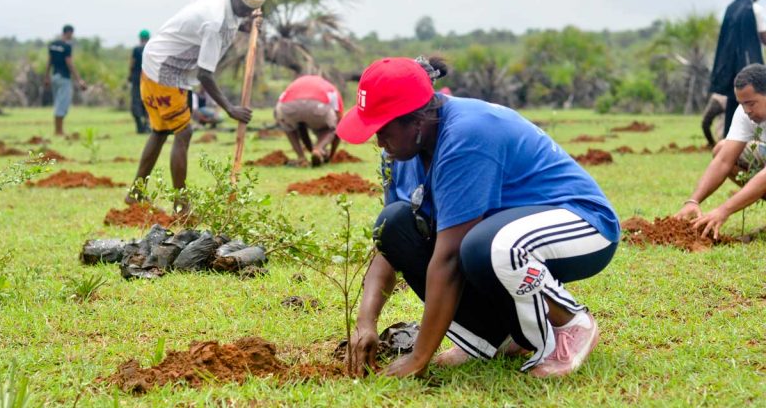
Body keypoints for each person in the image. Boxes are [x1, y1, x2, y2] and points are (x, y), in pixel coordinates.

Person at [338, 57, 620, 378]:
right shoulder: (402, 154)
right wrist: (366, 323)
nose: (379, 143)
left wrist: (419, 358)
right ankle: (495, 339)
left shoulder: (467, 135)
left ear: (416, 120)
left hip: (582, 225)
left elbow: (449, 260)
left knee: (483, 247)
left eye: (384, 128)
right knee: (396, 224)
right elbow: (389, 247)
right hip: (504, 237)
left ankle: (569, 323)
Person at [125, 0, 269, 210]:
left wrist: (247, 25)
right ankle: (181, 205)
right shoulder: (215, 24)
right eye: (244, 10)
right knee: (184, 132)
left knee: (160, 131)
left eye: (250, 11)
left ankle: (135, 193)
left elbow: (223, 21)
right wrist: (230, 109)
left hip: (160, 58)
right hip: (166, 68)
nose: (246, 14)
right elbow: (205, 74)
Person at [677, 64, 766, 238]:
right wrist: (692, 201)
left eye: (751, 103)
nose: (746, 110)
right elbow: (724, 160)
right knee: (721, 148)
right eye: (742, 104)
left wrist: (723, 210)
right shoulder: (744, 112)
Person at [710, 0, 766, 136]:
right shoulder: (754, 9)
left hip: (731, 68)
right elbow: (764, 37)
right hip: (750, 66)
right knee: (754, 103)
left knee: (733, 104)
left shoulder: (731, 8)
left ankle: (729, 139)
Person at [274, 75, 344, 166]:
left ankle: (301, 158)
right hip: (318, 106)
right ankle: (319, 149)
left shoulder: (297, 83)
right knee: (332, 129)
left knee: (288, 127)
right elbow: (339, 127)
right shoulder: (331, 88)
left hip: (287, 106)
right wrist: (331, 155)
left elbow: (302, 129)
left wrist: (311, 150)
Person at [44, 24, 86, 136]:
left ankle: (58, 130)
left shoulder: (53, 45)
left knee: (58, 102)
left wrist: (47, 77)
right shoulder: (67, 47)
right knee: (62, 104)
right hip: (64, 78)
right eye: (72, 34)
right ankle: (59, 131)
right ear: (69, 33)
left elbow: (49, 62)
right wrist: (79, 80)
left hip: (55, 77)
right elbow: (70, 64)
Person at [128, 29, 151, 134]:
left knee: (136, 101)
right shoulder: (151, 49)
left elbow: (132, 64)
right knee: (148, 101)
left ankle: (139, 125)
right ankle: (147, 125)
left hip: (137, 79)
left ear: (140, 38)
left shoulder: (136, 49)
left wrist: (129, 75)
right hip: (148, 79)